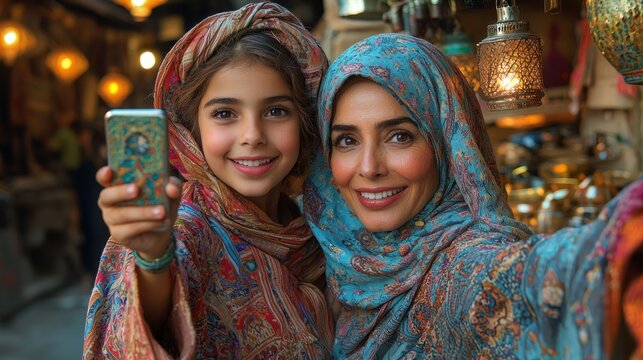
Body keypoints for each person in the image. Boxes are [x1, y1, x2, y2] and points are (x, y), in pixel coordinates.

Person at [303, 33, 643, 359]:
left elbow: (535, 280)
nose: (368, 167)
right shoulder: (338, 259)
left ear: (448, 144)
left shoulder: (462, 268)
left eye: (399, 136)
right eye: (347, 141)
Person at [83, 3, 332, 358]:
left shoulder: (315, 225)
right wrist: (153, 258)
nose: (252, 135)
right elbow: (152, 320)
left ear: (305, 120)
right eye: (225, 113)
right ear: (191, 129)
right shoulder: (184, 227)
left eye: (276, 111)